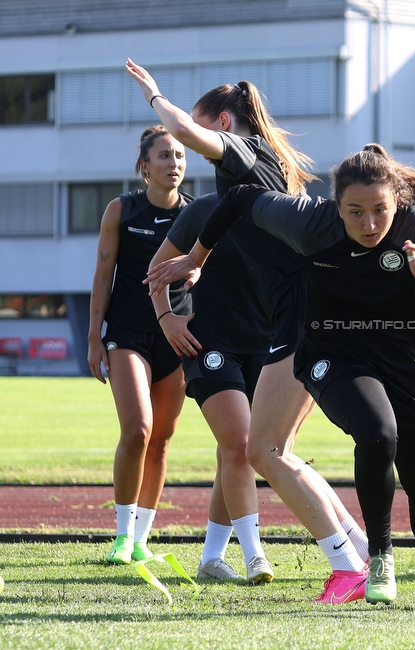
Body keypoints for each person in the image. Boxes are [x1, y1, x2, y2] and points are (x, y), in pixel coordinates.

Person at [149, 144, 415, 611]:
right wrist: (198, 256)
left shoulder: (413, 225)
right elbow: (240, 197)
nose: (368, 224)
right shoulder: (310, 222)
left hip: (405, 357)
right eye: (355, 212)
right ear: (335, 206)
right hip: (334, 353)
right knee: (378, 433)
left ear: (397, 201)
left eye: (379, 210)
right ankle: (380, 560)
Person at [127, 60, 370, 602]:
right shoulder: (247, 183)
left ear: (225, 121)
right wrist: (184, 279)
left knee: (262, 450)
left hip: (294, 319)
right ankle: (356, 550)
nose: (188, 149)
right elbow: (210, 236)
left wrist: (154, 97)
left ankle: (344, 562)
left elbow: (189, 134)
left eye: (200, 128)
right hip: (295, 319)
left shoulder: (245, 151)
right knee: (263, 447)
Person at [148, 194, 276, 584]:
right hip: (210, 346)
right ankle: (256, 556)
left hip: (269, 347)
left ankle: (211, 559)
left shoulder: (285, 210)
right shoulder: (203, 210)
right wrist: (168, 319)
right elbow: (155, 269)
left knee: (233, 452)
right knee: (240, 444)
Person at [87, 126, 192, 566]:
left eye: (181, 156)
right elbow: (102, 276)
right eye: (165, 156)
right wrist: (95, 336)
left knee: (162, 440)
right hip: (126, 335)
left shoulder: (197, 214)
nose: (175, 164)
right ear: (145, 166)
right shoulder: (121, 210)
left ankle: (141, 540)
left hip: (179, 339)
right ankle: (120, 536)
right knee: (138, 430)